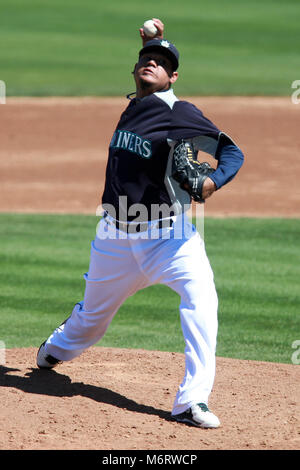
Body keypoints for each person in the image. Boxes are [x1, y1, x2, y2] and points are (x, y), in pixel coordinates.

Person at [37, 19, 244, 428]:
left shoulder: (179, 111)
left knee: (202, 300)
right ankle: (57, 347)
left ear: (173, 77)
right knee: (91, 320)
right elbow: (150, 65)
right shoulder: (136, 102)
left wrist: (212, 180)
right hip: (114, 237)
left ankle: (191, 400)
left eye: (161, 63)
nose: (151, 64)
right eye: (146, 61)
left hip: (170, 236)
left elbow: (232, 152)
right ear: (136, 70)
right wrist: (152, 44)